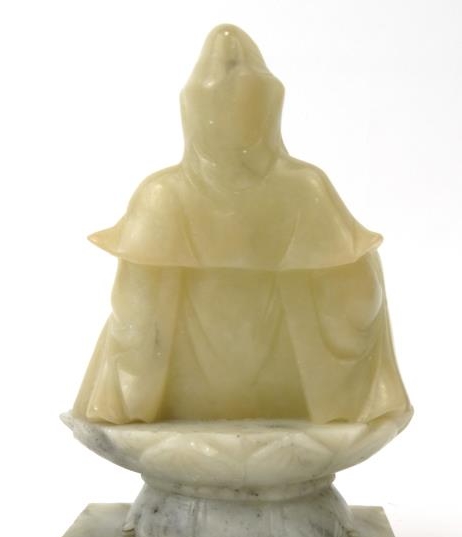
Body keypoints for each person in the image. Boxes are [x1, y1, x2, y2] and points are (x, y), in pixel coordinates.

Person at [73, 25, 411, 426]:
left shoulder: (303, 191)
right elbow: (134, 323)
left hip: (289, 385)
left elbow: (357, 302)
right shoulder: (164, 196)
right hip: (185, 389)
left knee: (364, 275)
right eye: (217, 109)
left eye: (248, 108)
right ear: (193, 114)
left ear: (271, 110)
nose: (232, 123)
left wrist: (348, 284)